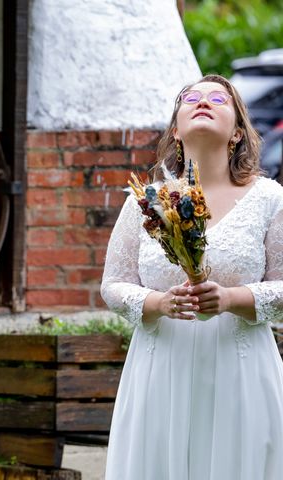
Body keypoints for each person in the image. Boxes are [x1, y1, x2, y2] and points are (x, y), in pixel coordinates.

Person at [101, 74, 283, 479]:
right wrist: (158, 303)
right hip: (160, 368)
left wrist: (234, 299)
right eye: (190, 98)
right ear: (175, 130)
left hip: (241, 372)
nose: (203, 101)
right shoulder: (144, 202)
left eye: (218, 97)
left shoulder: (270, 198)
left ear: (237, 132)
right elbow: (113, 283)